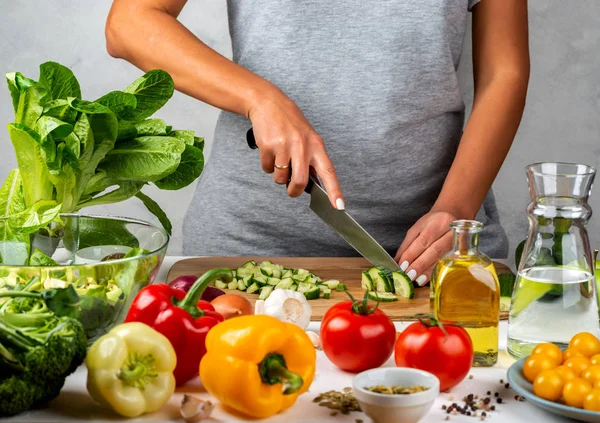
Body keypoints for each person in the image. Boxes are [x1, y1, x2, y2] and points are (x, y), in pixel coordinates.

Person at [105, 0, 530, 285]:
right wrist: (259, 98)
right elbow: (131, 22)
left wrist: (455, 209)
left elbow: (503, 74)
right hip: (247, 249)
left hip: (436, 252)